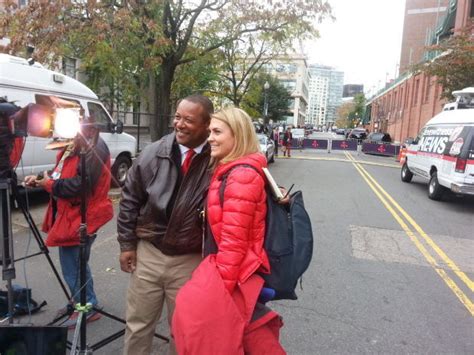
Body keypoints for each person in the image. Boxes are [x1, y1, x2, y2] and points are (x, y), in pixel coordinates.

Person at [172, 107, 285, 354]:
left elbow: (234, 243)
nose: (210, 137)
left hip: (236, 275)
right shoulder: (231, 170)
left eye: (217, 132)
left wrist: (218, 292)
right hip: (235, 272)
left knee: (218, 336)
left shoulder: (241, 176)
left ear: (238, 135)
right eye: (210, 131)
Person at [117, 94, 214, 355]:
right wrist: (127, 244)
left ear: (207, 125)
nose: (179, 124)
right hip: (149, 254)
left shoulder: (218, 159)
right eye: (177, 117)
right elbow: (129, 200)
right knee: (138, 325)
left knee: (183, 330)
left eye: (188, 120)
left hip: (190, 260)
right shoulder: (152, 153)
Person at [24, 115, 113, 328]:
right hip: (70, 214)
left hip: (83, 215)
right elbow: (60, 172)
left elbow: (80, 186)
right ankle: (81, 300)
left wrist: (49, 185)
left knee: (73, 264)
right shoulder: (75, 143)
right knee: (76, 263)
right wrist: (39, 179)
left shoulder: (94, 147)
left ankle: (87, 307)